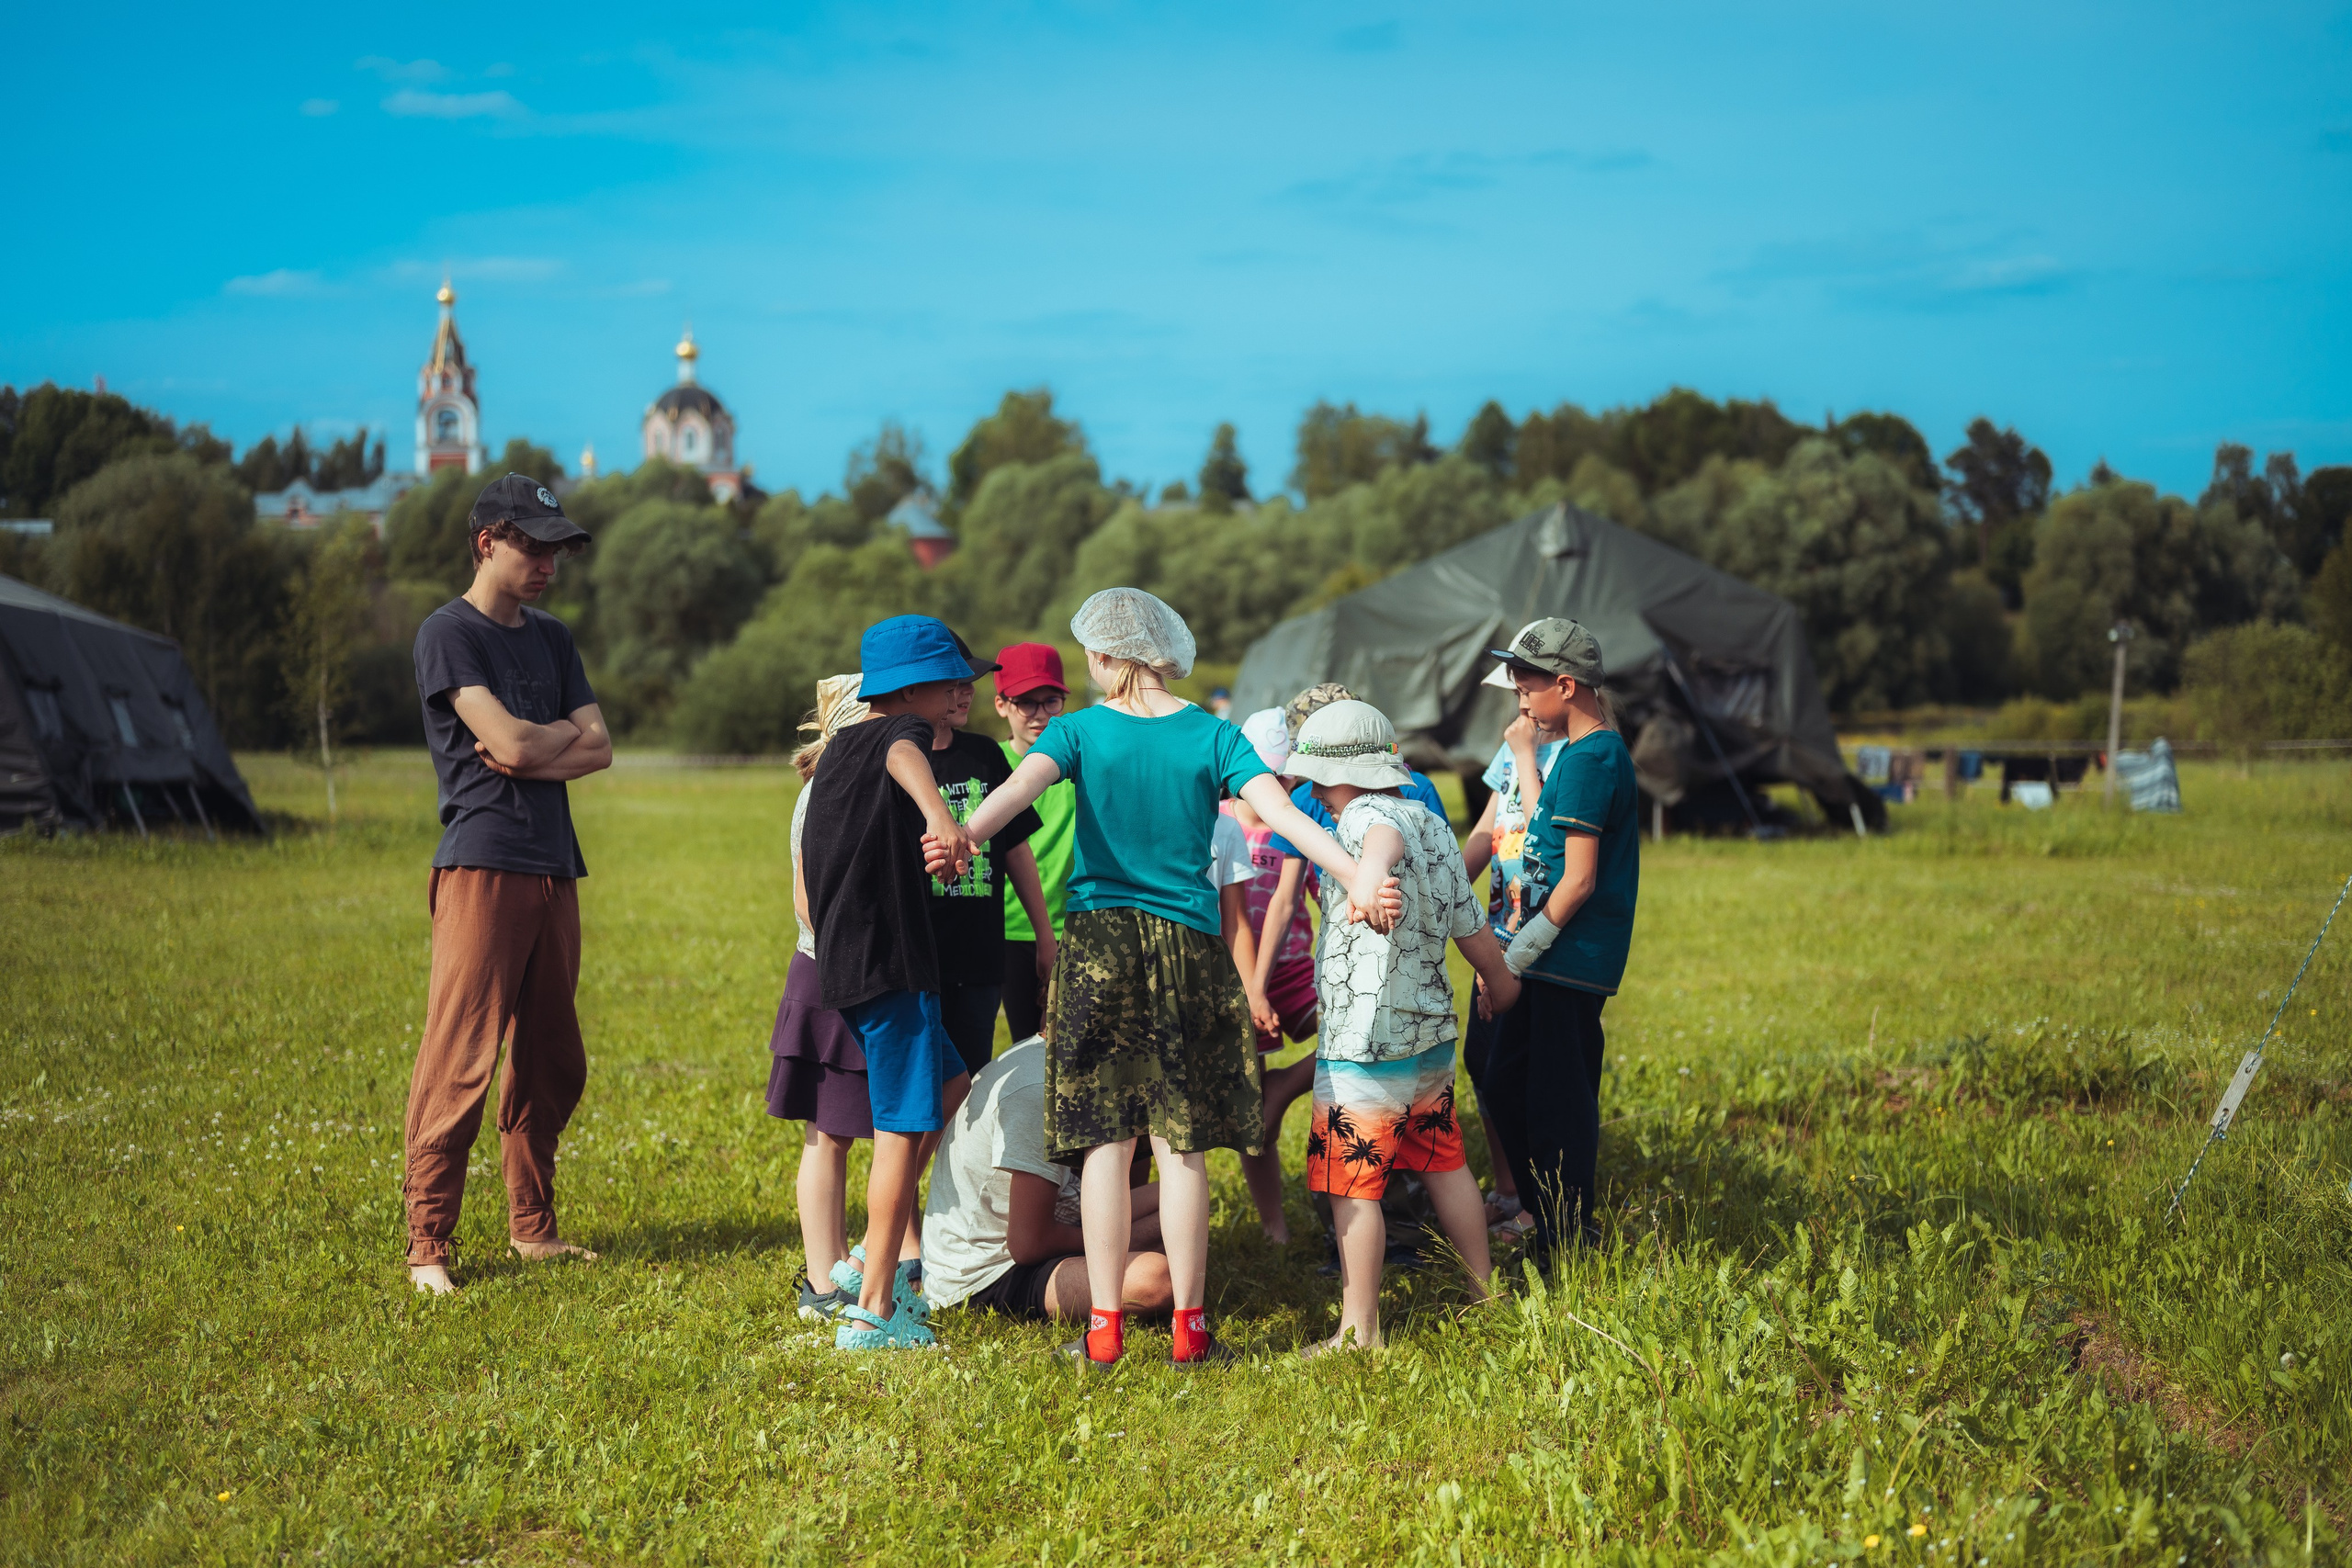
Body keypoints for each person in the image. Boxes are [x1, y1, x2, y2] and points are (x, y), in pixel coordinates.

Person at [957, 588, 1399, 1369]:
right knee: (1180, 1147)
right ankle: (1190, 1332)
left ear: (1102, 658)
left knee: (1103, 1143)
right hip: (1189, 952)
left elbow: (1017, 792)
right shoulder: (1215, 733)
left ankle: (1102, 1331)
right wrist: (1358, 877)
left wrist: (961, 834)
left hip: (1098, 948)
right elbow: (1292, 820)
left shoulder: (1078, 731)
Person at [404, 473, 612, 1297]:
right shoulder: (446, 634)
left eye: (557, 548)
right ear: (487, 541)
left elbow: (595, 747)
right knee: (461, 1056)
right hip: (482, 862)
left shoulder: (554, 640)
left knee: (554, 1057)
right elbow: (511, 748)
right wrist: (543, 742)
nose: (548, 563)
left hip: (556, 866)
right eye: (532, 544)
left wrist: (539, 738)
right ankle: (428, 1243)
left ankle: (533, 1228)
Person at [1287, 700, 1521, 1353]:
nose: (1314, 794)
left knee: (1351, 1185)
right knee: (1446, 1163)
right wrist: (1501, 982)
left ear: (1348, 775)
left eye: (1318, 782)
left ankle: (1360, 1330)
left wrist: (1368, 871)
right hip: (1429, 1038)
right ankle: (1485, 1293)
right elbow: (1467, 920)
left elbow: (1376, 839)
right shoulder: (1432, 820)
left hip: (1364, 1045)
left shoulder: (1365, 814)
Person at [799, 615, 981, 1349]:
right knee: (901, 1132)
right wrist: (942, 819)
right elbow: (907, 753)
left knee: (952, 1079)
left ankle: (860, 1265)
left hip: (852, 962)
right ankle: (876, 1306)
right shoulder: (895, 736)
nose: (962, 690)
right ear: (908, 688)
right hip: (892, 962)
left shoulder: (841, 747)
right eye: (950, 679)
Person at [1484, 617, 1641, 1266]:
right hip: (1551, 956)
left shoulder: (1592, 758)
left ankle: (1567, 1242)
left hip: (1564, 962)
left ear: (1566, 685)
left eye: (1527, 690)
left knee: (1556, 1104)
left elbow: (1575, 882)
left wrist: (1514, 958)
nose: (1521, 703)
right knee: (1504, 1081)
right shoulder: (1582, 756)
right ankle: (1549, 1220)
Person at [767, 673, 904, 1324]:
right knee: (829, 1136)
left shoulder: (860, 782)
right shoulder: (828, 790)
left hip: (858, 972)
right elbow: (806, 898)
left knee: (883, 1127)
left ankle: (876, 1259)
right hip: (832, 977)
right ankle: (823, 1281)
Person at [921, 1036, 1172, 1324]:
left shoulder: (1056, 1061)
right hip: (984, 1277)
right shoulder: (1039, 1090)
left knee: (1179, 1202)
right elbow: (1029, 1244)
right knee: (1155, 1278)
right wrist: (1120, 1240)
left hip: (1041, 1233)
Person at [1459, 679, 1567, 1235]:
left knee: (1520, 1071)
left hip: (1542, 935)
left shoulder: (1575, 753)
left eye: (1528, 689)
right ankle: (1508, 1188)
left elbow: (1545, 829)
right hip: (1498, 931)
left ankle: (1535, 1204)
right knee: (1483, 1063)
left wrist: (1526, 754)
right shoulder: (1512, 747)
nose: (1520, 704)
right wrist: (1447, 888)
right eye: (1516, 691)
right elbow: (1486, 830)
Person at [921, 636, 1052, 1078]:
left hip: (979, 952)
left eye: (970, 683)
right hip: (919, 955)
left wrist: (1044, 937)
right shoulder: (901, 761)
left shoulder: (984, 754)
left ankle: (951, 1153)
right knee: (921, 1081)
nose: (966, 693)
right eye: (955, 684)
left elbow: (1016, 850)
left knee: (968, 1079)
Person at [1227, 708, 1319, 1243]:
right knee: (1254, 1107)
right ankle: (1274, 1226)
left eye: (1288, 777)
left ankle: (1289, 1083)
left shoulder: (1297, 821)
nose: (1281, 787)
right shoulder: (1221, 819)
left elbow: (1310, 893)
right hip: (1239, 976)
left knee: (1351, 1033)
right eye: (1271, 775)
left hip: (1291, 969)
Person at [992, 644, 1076, 1043]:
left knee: (1074, 1044)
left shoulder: (1080, 762)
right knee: (1027, 1043)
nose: (1041, 714)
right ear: (1001, 704)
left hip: (1074, 923)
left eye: (1051, 701)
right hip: (1007, 930)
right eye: (1026, 703)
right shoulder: (988, 764)